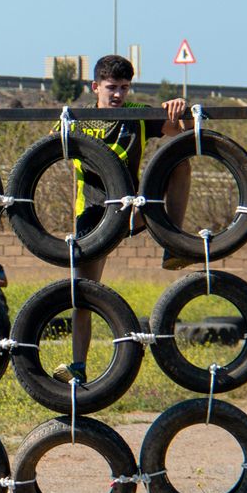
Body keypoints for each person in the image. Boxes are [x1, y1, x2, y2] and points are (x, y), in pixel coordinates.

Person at [53, 54, 192, 383]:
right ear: (95, 87)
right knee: (83, 293)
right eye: (111, 87)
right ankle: (78, 366)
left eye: (124, 88)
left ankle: (175, 243)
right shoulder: (76, 119)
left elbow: (178, 133)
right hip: (92, 216)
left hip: (132, 210)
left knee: (180, 162)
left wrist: (178, 111)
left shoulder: (138, 115)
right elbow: (45, 150)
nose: (117, 94)